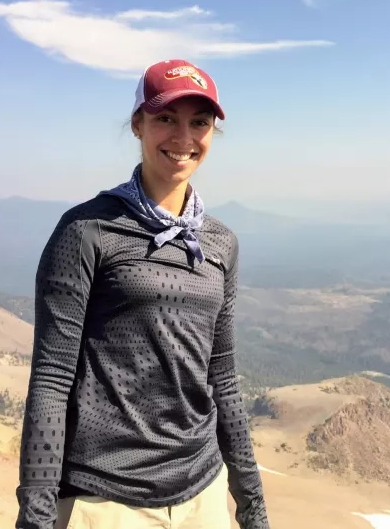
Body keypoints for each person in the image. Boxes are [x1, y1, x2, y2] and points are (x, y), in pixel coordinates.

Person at [15, 59, 270, 529]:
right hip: (107, 501)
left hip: (203, 496)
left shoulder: (220, 243)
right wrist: (36, 517)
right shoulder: (88, 230)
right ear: (138, 125)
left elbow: (223, 378)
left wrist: (251, 506)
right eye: (165, 119)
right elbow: (51, 380)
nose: (183, 137)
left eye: (199, 122)